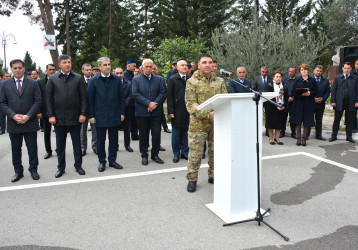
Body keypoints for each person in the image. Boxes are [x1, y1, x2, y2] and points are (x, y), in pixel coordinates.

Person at [185, 53, 227, 193]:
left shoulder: (220, 82)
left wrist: (218, 114)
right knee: (195, 154)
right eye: (204, 62)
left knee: (215, 152)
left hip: (217, 124)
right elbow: (190, 104)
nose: (208, 65)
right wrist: (208, 115)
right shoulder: (192, 81)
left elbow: (225, 101)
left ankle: (213, 175)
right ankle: (192, 179)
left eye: (210, 62)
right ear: (199, 65)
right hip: (198, 125)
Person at [0, 59, 41, 182]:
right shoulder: (5, 84)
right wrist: (13, 115)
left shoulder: (33, 83)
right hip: (14, 123)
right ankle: (18, 171)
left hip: (30, 121)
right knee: (16, 149)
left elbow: (38, 101)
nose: (17, 70)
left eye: (19, 68)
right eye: (15, 68)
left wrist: (28, 115)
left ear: (24, 68)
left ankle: (33, 170)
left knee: (32, 148)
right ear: (11, 69)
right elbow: (2, 102)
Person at [46, 55, 87, 178]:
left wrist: (83, 113)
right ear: (59, 64)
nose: (68, 64)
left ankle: (78, 166)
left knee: (77, 144)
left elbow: (84, 97)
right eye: (64, 62)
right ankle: (61, 167)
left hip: (75, 117)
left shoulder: (78, 78)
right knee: (60, 146)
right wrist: (51, 115)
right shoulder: (53, 79)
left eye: (69, 62)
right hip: (59, 118)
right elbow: (47, 99)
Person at [88, 57, 126, 172]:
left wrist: (122, 112)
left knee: (114, 140)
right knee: (100, 141)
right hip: (100, 116)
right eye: (105, 65)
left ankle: (112, 160)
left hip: (114, 115)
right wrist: (91, 116)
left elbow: (122, 98)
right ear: (99, 67)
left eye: (109, 64)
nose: (108, 66)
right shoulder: (94, 80)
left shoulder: (116, 79)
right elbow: (90, 99)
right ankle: (102, 161)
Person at [132, 59, 166, 165]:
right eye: (146, 67)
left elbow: (163, 93)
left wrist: (154, 103)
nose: (148, 69)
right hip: (142, 112)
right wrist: (148, 103)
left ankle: (155, 154)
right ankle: (144, 155)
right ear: (142, 67)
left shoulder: (159, 79)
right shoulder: (136, 79)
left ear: (152, 67)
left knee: (156, 135)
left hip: (156, 112)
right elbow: (135, 94)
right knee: (143, 135)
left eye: (150, 67)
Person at [329, 62, 358, 143]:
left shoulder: (355, 78)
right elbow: (333, 90)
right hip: (339, 103)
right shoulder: (337, 78)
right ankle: (333, 136)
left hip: (351, 103)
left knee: (349, 121)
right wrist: (333, 101)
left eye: (348, 68)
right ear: (342, 68)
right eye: (345, 68)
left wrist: (357, 101)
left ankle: (349, 137)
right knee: (336, 120)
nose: (346, 70)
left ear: (351, 69)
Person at [167, 60, 190, 163]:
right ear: (177, 67)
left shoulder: (191, 79)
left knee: (186, 132)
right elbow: (170, 97)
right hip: (177, 110)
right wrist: (171, 111)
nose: (185, 67)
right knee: (176, 134)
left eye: (186, 65)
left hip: (188, 110)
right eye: (182, 65)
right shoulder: (172, 79)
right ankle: (176, 154)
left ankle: (185, 152)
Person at [290, 64, 318, 146]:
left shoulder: (312, 80)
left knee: (307, 121)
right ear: (300, 71)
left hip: (309, 103)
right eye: (302, 70)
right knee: (298, 120)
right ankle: (298, 138)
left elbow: (316, 91)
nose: (304, 71)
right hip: (298, 102)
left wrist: (309, 93)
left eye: (305, 69)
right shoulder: (297, 80)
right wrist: (301, 94)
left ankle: (304, 138)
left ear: (308, 70)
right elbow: (293, 91)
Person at [38, 63, 56, 159]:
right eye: (50, 69)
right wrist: (39, 111)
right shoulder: (40, 83)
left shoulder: (59, 80)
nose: (52, 71)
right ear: (46, 70)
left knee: (59, 133)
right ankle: (48, 151)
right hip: (45, 112)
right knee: (47, 133)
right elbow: (38, 98)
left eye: (53, 69)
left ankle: (59, 148)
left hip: (58, 111)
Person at [113, 67, 133, 152]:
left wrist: (123, 106)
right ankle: (115, 145)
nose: (119, 75)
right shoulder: (111, 84)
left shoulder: (128, 84)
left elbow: (130, 96)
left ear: (123, 74)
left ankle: (127, 145)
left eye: (121, 73)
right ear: (114, 73)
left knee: (126, 129)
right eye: (117, 73)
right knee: (114, 130)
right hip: (114, 110)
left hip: (126, 110)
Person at [265, 71, 287, 145]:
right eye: (277, 76)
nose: (278, 78)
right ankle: (271, 138)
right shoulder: (270, 85)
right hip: (271, 107)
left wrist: (284, 105)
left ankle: (277, 138)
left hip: (281, 107)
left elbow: (286, 96)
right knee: (271, 124)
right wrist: (276, 105)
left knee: (279, 124)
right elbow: (269, 97)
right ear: (273, 77)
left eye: (280, 77)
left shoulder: (284, 85)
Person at [80, 63, 98, 155]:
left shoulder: (95, 80)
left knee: (95, 129)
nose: (89, 71)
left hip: (94, 109)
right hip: (83, 109)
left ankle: (95, 147)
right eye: (86, 70)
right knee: (83, 130)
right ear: (83, 70)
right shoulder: (79, 80)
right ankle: (83, 147)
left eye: (90, 69)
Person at [310, 65, 331, 140]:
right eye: (317, 70)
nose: (318, 72)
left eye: (320, 71)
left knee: (319, 120)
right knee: (309, 119)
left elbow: (327, 91)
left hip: (320, 103)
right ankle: (307, 134)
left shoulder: (325, 80)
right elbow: (308, 90)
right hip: (311, 103)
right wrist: (313, 98)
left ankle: (318, 135)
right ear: (314, 71)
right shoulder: (310, 79)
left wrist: (323, 98)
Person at [125, 60, 140, 141]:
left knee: (135, 118)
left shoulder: (131, 74)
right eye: (134, 66)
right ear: (128, 66)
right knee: (131, 119)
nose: (135, 68)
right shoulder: (126, 74)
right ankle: (133, 134)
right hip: (130, 100)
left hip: (135, 100)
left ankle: (135, 133)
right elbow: (130, 84)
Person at [282, 67, 298, 138]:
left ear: (295, 73)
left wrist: (293, 98)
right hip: (285, 102)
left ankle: (293, 133)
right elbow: (281, 90)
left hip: (294, 102)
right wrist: (286, 98)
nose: (290, 73)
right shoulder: (284, 80)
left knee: (293, 118)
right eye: (289, 71)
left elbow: (299, 91)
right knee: (283, 118)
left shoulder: (298, 81)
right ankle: (282, 132)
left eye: (292, 72)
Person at [351, 58, 358, 133]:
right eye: (357, 64)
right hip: (354, 96)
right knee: (353, 113)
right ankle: (354, 127)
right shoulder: (351, 74)